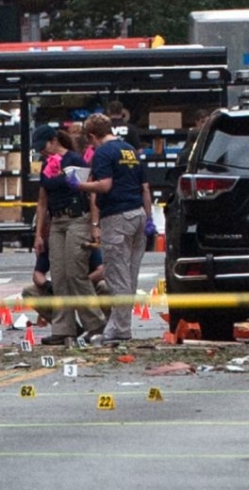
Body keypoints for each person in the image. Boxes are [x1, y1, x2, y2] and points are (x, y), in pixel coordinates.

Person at [74, 113, 153, 347]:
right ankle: (121, 327)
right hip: (138, 214)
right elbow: (145, 187)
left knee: (116, 276)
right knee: (130, 276)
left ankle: (119, 330)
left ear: (91, 136)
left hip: (117, 217)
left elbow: (104, 185)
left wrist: (78, 184)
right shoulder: (129, 150)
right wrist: (149, 219)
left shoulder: (103, 153)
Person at [31, 124, 107, 346]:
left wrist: (94, 225)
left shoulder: (75, 160)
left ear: (54, 140)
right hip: (57, 222)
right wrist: (39, 234)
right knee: (59, 275)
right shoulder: (46, 165)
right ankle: (64, 329)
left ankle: (96, 325)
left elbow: (90, 193)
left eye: (43, 145)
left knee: (75, 272)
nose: (42, 151)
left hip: (77, 219)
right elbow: (42, 201)